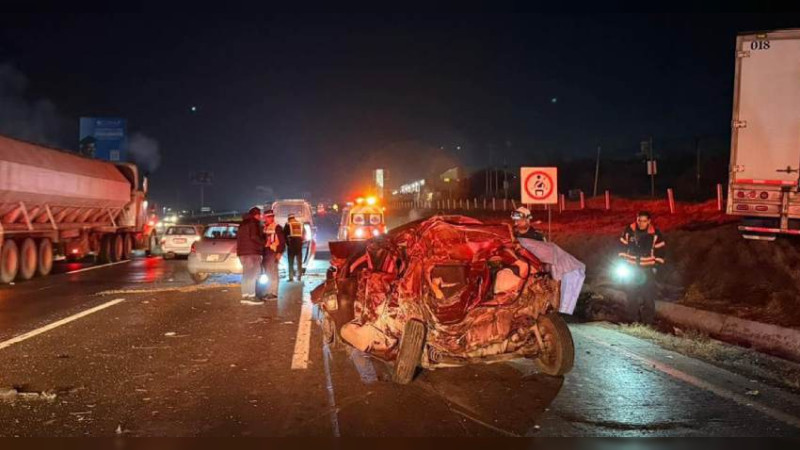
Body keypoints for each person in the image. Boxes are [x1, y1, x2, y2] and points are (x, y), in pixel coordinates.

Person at [618, 211, 666, 324]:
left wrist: (656, 267)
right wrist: (622, 262)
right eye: (639, 220)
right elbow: (621, 247)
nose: (641, 223)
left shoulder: (655, 234)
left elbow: (661, 251)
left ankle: (648, 322)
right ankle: (632, 320)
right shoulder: (629, 232)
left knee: (648, 296)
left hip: (647, 269)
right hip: (631, 268)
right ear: (636, 219)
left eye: (644, 221)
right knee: (631, 294)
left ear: (649, 221)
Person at [236, 207, 265, 304]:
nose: (260, 217)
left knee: (246, 274)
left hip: (242, 253)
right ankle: (252, 296)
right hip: (252, 253)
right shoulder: (254, 223)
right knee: (253, 274)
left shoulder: (242, 224)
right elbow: (254, 236)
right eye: (259, 215)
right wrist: (264, 242)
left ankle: (245, 295)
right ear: (256, 215)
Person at [262, 209, 286, 299]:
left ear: (271, 217)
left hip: (273, 252)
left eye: (268, 217)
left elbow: (282, 242)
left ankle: (273, 293)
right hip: (266, 252)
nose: (266, 219)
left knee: (273, 273)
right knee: (268, 273)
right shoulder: (265, 227)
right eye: (266, 217)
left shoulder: (277, 227)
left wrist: (279, 253)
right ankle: (269, 291)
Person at [285, 213, 306, 282]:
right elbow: (304, 234)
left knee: (291, 262)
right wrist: (301, 242)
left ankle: (291, 277)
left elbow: (285, 235)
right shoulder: (300, 224)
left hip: (291, 245)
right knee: (299, 262)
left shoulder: (288, 224)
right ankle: (299, 276)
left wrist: (287, 244)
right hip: (299, 245)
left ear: (289, 218)